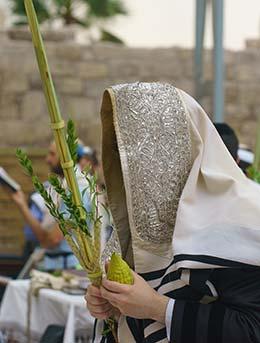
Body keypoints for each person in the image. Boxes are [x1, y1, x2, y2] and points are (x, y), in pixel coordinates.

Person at [85, 83, 260, 343]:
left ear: (171, 152)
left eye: (136, 155)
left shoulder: (241, 219)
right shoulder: (139, 226)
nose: (127, 171)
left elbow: (251, 329)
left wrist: (157, 307)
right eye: (119, 155)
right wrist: (110, 304)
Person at [11, 141, 90, 270]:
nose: (47, 159)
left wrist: (23, 207)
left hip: (70, 269)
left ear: (65, 156)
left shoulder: (77, 190)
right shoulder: (62, 186)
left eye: (52, 154)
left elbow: (51, 240)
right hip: (57, 265)